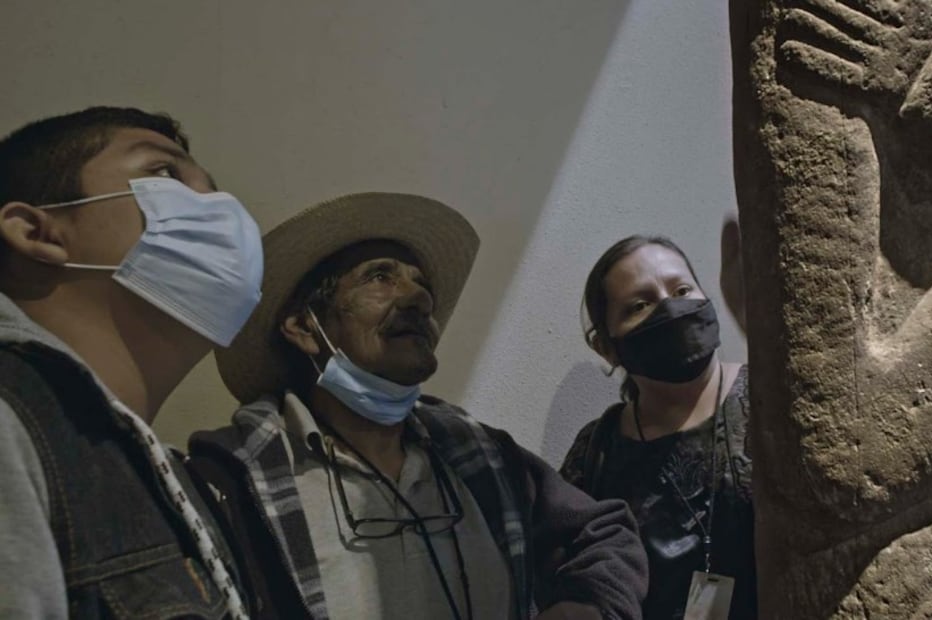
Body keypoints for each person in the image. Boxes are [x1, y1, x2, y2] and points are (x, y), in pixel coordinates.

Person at [187, 193, 648, 620]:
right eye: (380, 277)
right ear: (305, 327)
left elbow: (605, 532)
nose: (420, 299)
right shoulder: (234, 482)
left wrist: (586, 606)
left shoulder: (479, 454)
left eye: (421, 284)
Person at [0, 107, 262, 618]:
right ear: (37, 233)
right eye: (166, 173)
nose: (222, 209)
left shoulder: (163, 474)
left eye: (214, 189)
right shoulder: (10, 419)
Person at [560, 234, 756, 619]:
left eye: (682, 288)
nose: (671, 307)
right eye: (640, 305)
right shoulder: (595, 452)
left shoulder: (767, 400)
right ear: (607, 347)